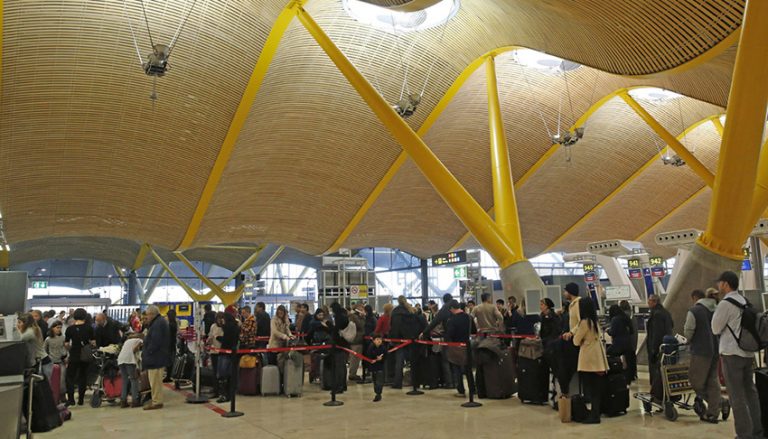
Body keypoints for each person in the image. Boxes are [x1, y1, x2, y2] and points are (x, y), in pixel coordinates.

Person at [712, 271, 763, 438]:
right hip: (748, 353)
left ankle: (743, 434)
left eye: (720, 283)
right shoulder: (744, 301)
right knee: (751, 392)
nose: (718, 286)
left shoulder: (725, 303)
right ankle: (757, 431)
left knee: (736, 396)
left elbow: (715, 328)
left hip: (731, 354)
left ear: (725, 284)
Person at [683, 289, 721, 424]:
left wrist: (685, 340)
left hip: (700, 351)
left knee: (695, 381)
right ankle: (713, 412)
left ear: (694, 298)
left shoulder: (694, 311)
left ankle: (718, 404)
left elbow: (688, 332)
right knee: (712, 380)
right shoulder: (717, 309)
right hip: (716, 349)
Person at [573, 297, 609, 424]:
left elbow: (576, 341)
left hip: (588, 358)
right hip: (597, 357)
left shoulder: (584, 322)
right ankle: (595, 412)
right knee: (596, 388)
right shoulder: (594, 321)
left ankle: (594, 416)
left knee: (591, 388)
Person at [390, 296, 426, 389]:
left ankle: (397, 383)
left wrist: (393, 339)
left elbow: (394, 327)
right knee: (413, 362)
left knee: (399, 363)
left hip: (399, 340)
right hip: (411, 339)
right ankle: (415, 382)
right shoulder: (411, 310)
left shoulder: (395, 312)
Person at [421, 293, 455, 389]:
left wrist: (424, 332)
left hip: (442, 338)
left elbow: (434, 324)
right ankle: (452, 382)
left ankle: (448, 383)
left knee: (444, 361)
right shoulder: (454, 309)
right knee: (452, 361)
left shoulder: (443, 311)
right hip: (453, 338)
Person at [64, 308, 94, 406]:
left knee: (70, 377)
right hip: (85, 355)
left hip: (74, 354)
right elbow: (93, 343)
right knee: (83, 376)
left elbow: (66, 344)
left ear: (74, 316)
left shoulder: (70, 329)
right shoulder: (89, 328)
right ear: (85, 316)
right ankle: (81, 399)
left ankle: (71, 399)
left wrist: (70, 349)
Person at [142, 305, 169, 410]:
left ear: (153, 314)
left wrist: (149, 351)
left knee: (155, 381)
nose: (147, 317)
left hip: (156, 357)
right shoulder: (159, 322)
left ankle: (157, 402)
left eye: (148, 315)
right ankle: (156, 400)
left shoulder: (157, 324)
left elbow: (156, 341)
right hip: (157, 356)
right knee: (155, 380)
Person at [646, 294, 673, 402]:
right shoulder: (666, 312)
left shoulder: (656, 315)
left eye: (649, 301)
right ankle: (665, 395)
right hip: (666, 347)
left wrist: (653, 350)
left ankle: (657, 396)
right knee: (664, 373)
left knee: (656, 374)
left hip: (658, 348)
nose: (648, 303)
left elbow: (656, 334)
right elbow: (671, 325)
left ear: (654, 302)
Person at [445, 300, 474, 397]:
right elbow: (473, 330)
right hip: (467, 344)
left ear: (452, 308)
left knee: (457, 368)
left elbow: (449, 334)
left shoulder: (452, 320)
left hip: (456, 346)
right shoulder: (468, 317)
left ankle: (461, 390)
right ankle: (472, 389)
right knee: (468, 368)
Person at [559, 283, 582, 396]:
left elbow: (581, 322)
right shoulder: (571, 305)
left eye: (565, 291)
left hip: (576, 340)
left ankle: (566, 391)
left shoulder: (578, 304)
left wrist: (571, 332)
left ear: (570, 292)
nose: (564, 293)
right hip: (572, 338)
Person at [606, 304, 635, 384]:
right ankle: (628, 380)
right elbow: (631, 331)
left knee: (607, 354)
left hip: (618, 344)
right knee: (628, 362)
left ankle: (615, 374)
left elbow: (613, 332)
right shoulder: (626, 318)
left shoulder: (615, 319)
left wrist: (608, 330)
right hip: (628, 343)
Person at [216, 312, 240, 403]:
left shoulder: (227, 328)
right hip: (233, 354)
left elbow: (225, 340)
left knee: (222, 375)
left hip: (224, 353)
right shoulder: (236, 327)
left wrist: (218, 337)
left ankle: (224, 395)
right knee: (230, 375)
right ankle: (230, 395)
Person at [118, 332, 144, 408]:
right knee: (134, 379)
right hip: (129, 360)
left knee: (125, 380)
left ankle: (123, 401)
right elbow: (134, 349)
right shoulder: (139, 340)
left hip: (121, 359)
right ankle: (135, 401)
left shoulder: (127, 341)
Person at [206, 312, 225, 396]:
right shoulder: (213, 326)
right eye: (218, 318)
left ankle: (222, 390)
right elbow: (210, 336)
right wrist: (208, 341)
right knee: (214, 372)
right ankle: (215, 390)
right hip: (214, 352)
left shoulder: (225, 327)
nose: (219, 320)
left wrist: (217, 337)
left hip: (222, 352)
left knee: (222, 372)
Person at [619, 300, 638, 380]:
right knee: (633, 357)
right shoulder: (632, 315)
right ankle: (634, 374)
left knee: (627, 359)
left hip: (627, 341)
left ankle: (629, 376)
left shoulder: (624, 316)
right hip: (634, 339)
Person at [367, 333, 388, 402]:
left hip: (380, 367)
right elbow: (369, 355)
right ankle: (377, 392)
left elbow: (386, 355)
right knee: (375, 380)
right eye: (377, 339)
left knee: (379, 381)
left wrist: (382, 358)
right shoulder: (371, 347)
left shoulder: (383, 347)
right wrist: (375, 357)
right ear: (373, 341)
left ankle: (378, 393)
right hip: (373, 367)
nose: (379, 341)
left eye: (380, 339)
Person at [347, 304, 366, 381]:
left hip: (357, 339)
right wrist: (363, 317)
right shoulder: (354, 316)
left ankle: (353, 373)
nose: (362, 309)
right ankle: (352, 374)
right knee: (354, 358)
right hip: (356, 340)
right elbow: (361, 325)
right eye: (361, 307)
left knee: (356, 359)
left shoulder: (354, 316)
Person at [163, 309, 178, 383]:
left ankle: (168, 376)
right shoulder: (174, 324)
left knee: (169, 361)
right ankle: (169, 376)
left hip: (169, 345)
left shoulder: (170, 325)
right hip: (172, 344)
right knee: (170, 361)